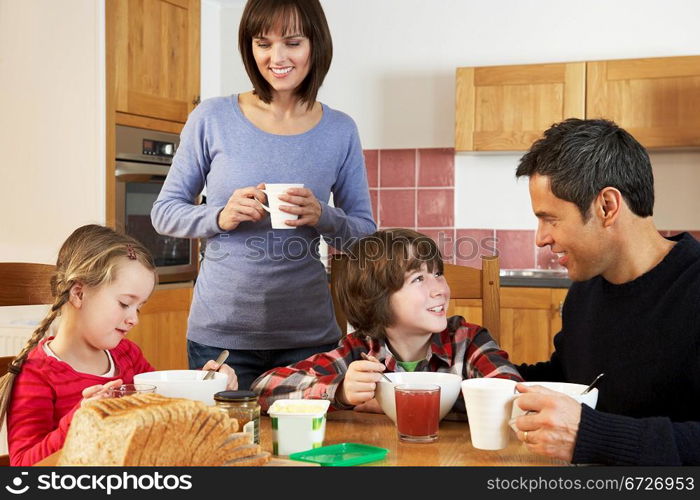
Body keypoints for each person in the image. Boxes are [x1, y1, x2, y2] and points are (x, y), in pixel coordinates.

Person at [151, 0, 375, 390]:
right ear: (249, 47)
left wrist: (322, 214)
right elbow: (164, 212)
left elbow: (365, 235)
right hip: (220, 337)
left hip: (308, 337)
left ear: (315, 45)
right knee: (225, 447)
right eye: (263, 43)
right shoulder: (212, 118)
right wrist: (220, 216)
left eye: (292, 42)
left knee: (305, 450)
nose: (277, 57)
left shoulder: (340, 130)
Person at [510, 118, 700, 465]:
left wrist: (591, 436)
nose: (541, 237)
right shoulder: (585, 291)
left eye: (550, 219)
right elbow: (570, 378)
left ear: (607, 206)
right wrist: (459, 377)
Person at [0, 225, 237, 466]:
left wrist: (207, 382)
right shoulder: (36, 375)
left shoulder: (127, 355)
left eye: (139, 307)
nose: (134, 318)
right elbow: (23, 466)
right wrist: (81, 419)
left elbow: (166, 404)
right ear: (78, 294)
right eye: (125, 304)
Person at [250, 229, 522, 414]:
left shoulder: (469, 340)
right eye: (418, 279)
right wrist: (341, 391)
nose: (439, 288)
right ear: (378, 298)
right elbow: (263, 389)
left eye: (438, 274)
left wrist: (402, 403)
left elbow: (512, 396)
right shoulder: (358, 351)